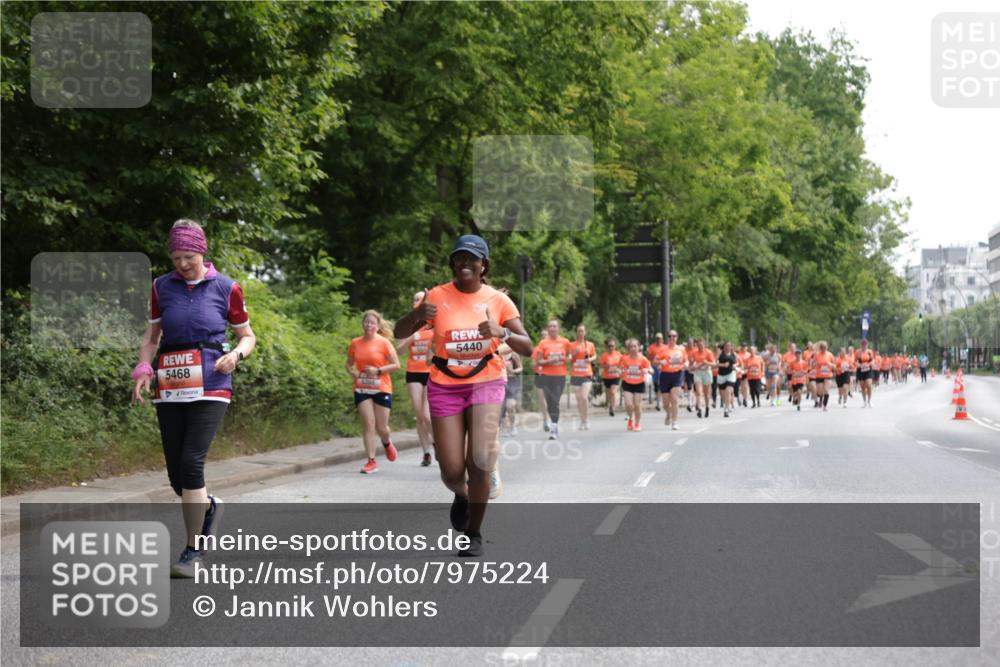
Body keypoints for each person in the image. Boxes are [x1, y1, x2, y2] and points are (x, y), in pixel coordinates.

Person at [131, 219, 256, 578]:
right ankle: (209, 507)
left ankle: (192, 551)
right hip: (171, 384)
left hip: (212, 382)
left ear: (201, 252)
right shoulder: (161, 287)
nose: (182, 264)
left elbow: (247, 336)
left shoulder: (227, 287)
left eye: (188, 256)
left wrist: (236, 355)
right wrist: (144, 367)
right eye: (176, 258)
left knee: (191, 463)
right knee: (178, 477)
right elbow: (152, 338)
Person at [393, 235, 531, 557]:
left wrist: (502, 332)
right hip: (444, 384)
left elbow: (527, 346)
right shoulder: (436, 296)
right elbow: (399, 333)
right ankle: (464, 494)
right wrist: (416, 316)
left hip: (487, 381)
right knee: (452, 470)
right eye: (459, 258)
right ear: (453, 263)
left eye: (472, 258)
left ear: (484, 265)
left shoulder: (498, 300)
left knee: (479, 461)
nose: (465, 263)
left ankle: (474, 533)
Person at [347, 310, 401, 473]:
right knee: (368, 423)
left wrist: (378, 371)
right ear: (363, 324)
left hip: (381, 387)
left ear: (377, 326)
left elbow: (396, 365)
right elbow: (349, 364)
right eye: (366, 322)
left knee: (382, 427)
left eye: (372, 323)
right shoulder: (355, 343)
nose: (369, 325)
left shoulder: (384, 343)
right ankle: (371, 461)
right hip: (362, 387)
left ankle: (386, 442)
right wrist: (352, 372)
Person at [396, 291, 434, 466]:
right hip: (413, 372)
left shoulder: (433, 323)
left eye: (420, 299)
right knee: (419, 416)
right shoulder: (409, 324)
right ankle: (426, 453)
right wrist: (412, 337)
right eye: (415, 299)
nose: (417, 301)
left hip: (431, 372)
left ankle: (437, 442)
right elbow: (399, 351)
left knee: (427, 416)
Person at [534, 320, 571, 439]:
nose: (552, 328)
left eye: (554, 326)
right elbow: (538, 361)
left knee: (555, 401)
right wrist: (550, 361)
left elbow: (569, 355)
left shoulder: (565, 342)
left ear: (558, 328)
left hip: (560, 376)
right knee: (550, 403)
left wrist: (567, 358)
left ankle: (554, 428)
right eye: (550, 326)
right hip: (546, 376)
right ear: (548, 329)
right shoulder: (543, 343)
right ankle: (553, 424)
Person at [655, 330, 688, 430]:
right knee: (665, 403)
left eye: (674, 336)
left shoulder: (681, 349)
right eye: (670, 336)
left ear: (677, 337)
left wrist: (686, 364)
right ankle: (668, 413)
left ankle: (674, 422)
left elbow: (686, 360)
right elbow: (655, 361)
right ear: (667, 338)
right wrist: (661, 362)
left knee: (674, 399)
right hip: (665, 375)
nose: (672, 338)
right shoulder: (662, 349)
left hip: (677, 375)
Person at [619, 338, 652, 431]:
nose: (633, 348)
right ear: (628, 348)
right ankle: (630, 419)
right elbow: (620, 370)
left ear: (638, 347)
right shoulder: (625, 359)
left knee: (637, 405)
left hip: (639, 384)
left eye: (635, 346)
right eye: (631, 347)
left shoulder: (643, 359)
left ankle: (637, 423)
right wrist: (621, 372)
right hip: (627, 383)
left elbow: (651, 370)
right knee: (629, 404)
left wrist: (647, 370)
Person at [568, 324, 597, 430]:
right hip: (575, 374)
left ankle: (586, 419)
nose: (580, 333)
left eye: (582, 331)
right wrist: (573, 354)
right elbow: (569, 358)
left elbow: (594, 355)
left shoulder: (590, 344)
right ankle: (582, 420)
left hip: (586, 373)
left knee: (584, 397)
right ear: (576, 333)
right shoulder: (572, 345)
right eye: (579, 331)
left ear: (585, 332)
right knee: (579, 399)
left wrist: (590, 359)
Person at [689, 337, 715, 418]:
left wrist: (706, 362)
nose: (700, 346)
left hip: (707, 372)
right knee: (699, 392)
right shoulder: (694, 353)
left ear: (704, 344)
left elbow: (714, 363)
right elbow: (691, 363)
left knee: (706, 394)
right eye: (698, 345)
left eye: (701, 344)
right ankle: (699, 409)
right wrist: (692, 365)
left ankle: (707, 407)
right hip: (698, 373)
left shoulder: (708, 352)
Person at [499, 344, 522, 436]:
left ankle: (512, 426)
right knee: (501, 406)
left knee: (510, 405)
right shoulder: (497, 354)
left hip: (512, 382)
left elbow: (520, 368)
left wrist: (513, 371)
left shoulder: (514, 355)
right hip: (500, 382)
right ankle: (504, 428)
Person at [531, 329, 550, 432]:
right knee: (542, 399)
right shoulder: (536, 349)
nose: (543, 337)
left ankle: (551, 419)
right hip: (539, 375)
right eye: (542, 335)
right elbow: (533, 364)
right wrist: (537, 364)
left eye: (545, 335)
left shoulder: (552, 348)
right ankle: (546, 420)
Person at [599, 338, 623, 418]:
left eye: (612, 346)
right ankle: (610, 405)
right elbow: (601, 365)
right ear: (607, 346)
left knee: (613, 392)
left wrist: (619, 369)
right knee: (609, 393)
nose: (611, 347)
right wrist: (607, 366)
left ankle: (613, 407)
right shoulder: (604, 355)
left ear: (615, 346)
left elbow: (623, 364)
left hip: (616, 376)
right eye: (609, 346)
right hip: (607, 376)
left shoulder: (619, 354)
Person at [716, 341, 738, 417]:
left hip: (730, 374)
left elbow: (735, 363)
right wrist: (723, 365)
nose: (727, 347)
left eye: (729, 346)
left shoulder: (733, 354)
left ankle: (726, 409)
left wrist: (734, 366)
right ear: (724, 347)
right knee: (723, 395)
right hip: (721, 375)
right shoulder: (720, 354)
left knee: (728, 391)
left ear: (731, 347)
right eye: (726, 346)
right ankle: (727, 404)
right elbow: (715, 363)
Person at [811, 341, 835, 411]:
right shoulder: (817, 355)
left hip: (828, 375)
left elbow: (835, 365)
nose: (824, 349)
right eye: (822, 347)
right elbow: (813, 365)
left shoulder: (830, 355)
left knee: (826, 391)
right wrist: (817, 364)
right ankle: (821, 398)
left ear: (827, 347)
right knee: (820, 391)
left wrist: (831, 365)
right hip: (819, 375)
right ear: (820, 348)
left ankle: (825, 406)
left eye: (825, 347)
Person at [647, 332, 666, 411]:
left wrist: (661, 361)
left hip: (662, 367)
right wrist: (654, 356)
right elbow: (648, 357)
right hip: (654, 367)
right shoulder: (651, 347)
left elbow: (667, 356)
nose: (658, 340)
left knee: (660, 384)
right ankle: (658, 400)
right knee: (655, 384)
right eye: (657, 338)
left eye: (660, 338)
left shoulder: (665, 347)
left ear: (662, 339)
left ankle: (659, 403)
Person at [856, 339, 876, 407]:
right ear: (860, 345)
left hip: (868, 370)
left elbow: (873, 361)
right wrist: (859, 365)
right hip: (860, 371)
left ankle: (869, 401)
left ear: (867, 345)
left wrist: (868, 364)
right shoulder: (858, 352)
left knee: (869, 385)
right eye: (862, 344)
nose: (864, 346)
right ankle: (864, 401)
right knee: (862, 387)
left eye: (865, 344)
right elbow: (855, 361)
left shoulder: (870, 352)